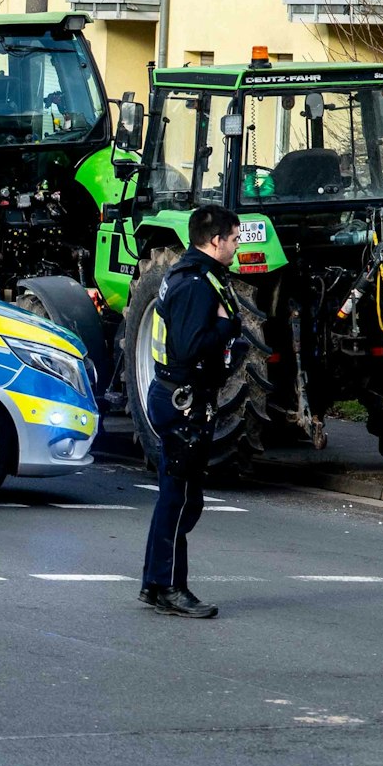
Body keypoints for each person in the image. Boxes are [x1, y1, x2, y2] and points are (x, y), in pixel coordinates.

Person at [139, 204, 244, 618]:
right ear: (215, 241)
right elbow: (189, 347)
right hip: (183, 402)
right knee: (181, 500)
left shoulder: (189, 273)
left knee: (177, 497)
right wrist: (227, 326)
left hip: (179, 397)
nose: (237, 247)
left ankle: (155, 582)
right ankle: (169, 587)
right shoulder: (196, 284)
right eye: (234, 239)